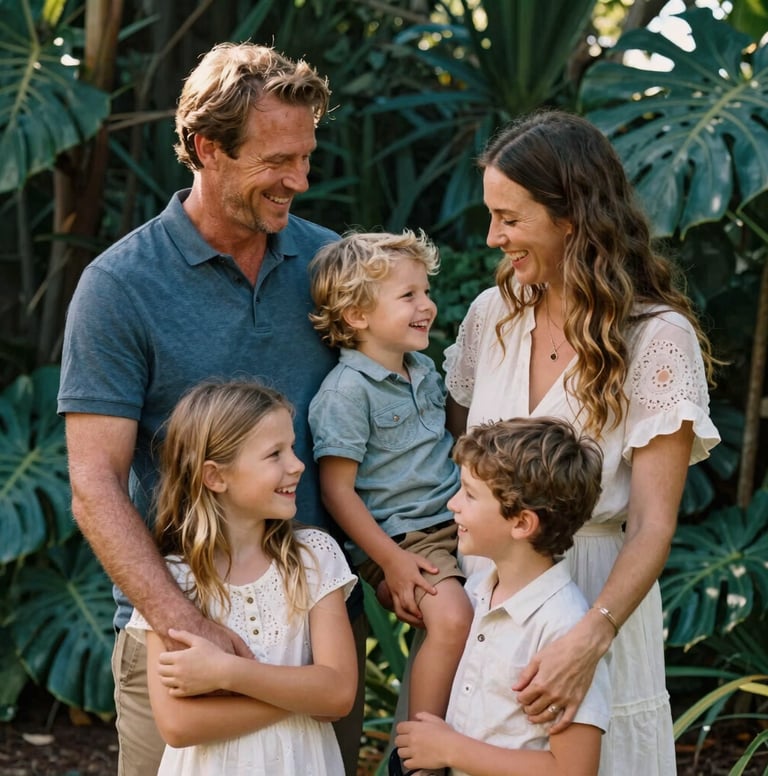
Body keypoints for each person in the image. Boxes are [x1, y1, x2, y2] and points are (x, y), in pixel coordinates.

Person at [57, 42, 366, 776]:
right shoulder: (118, 288)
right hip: (177, 641)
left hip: (316, 639)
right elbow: (94, 483)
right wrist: (184, 624)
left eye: (305, 156)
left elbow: (385, 417)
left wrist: (407, 561)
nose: (299, 179)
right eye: (276, 161)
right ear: (206, 148)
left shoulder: (334, 269)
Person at [442, 109, 721, 775]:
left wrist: (586, 639)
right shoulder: (493, 314)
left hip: (600, 599)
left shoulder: (655, 339)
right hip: (493, 598)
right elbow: (466, 463)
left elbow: (654, 524)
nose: (492, 237)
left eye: (510, 218)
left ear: (571, 215)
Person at [125, 380, 358, 774]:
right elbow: (179, 726)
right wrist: (301, 694)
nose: (298, 464)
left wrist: (227, 672)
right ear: (215, 477)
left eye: (293, 447)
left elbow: (337, 694)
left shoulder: (314, 556)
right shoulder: (170, 582)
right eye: (274, 454)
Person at [307, 230, 474, 776]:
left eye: (425, 292)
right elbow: (337, 490)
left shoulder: (422, 370)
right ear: (356, 315)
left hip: (457, 517)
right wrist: (393, 561)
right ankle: (418, 758)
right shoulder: (345, 393)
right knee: (450, 618)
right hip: (405, 537)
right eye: (408, 296)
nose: (427, 305)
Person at [394, 417, 611, 776]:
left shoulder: (562, 627)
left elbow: (574, 769)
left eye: (470, 494)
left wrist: (451, 749)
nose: (453, 504)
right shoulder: (476, 594)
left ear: (522, 523)